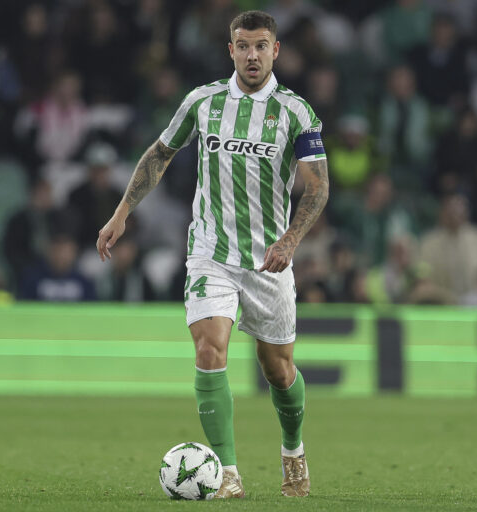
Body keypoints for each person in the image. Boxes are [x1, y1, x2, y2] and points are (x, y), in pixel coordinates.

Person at [96, 11, 328, 499]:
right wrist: (121, 214)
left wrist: (289, 241)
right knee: (208, 350)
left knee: (279, 371)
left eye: (261, 46)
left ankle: (293, 452)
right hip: (211, 251)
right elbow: (160, 154)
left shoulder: (296, 112)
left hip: (269, 259)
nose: (251, 55)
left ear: (276, 51)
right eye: (242, 46)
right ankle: (227, 473)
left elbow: (318, 186)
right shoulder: (202, 102)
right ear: (230, 50)